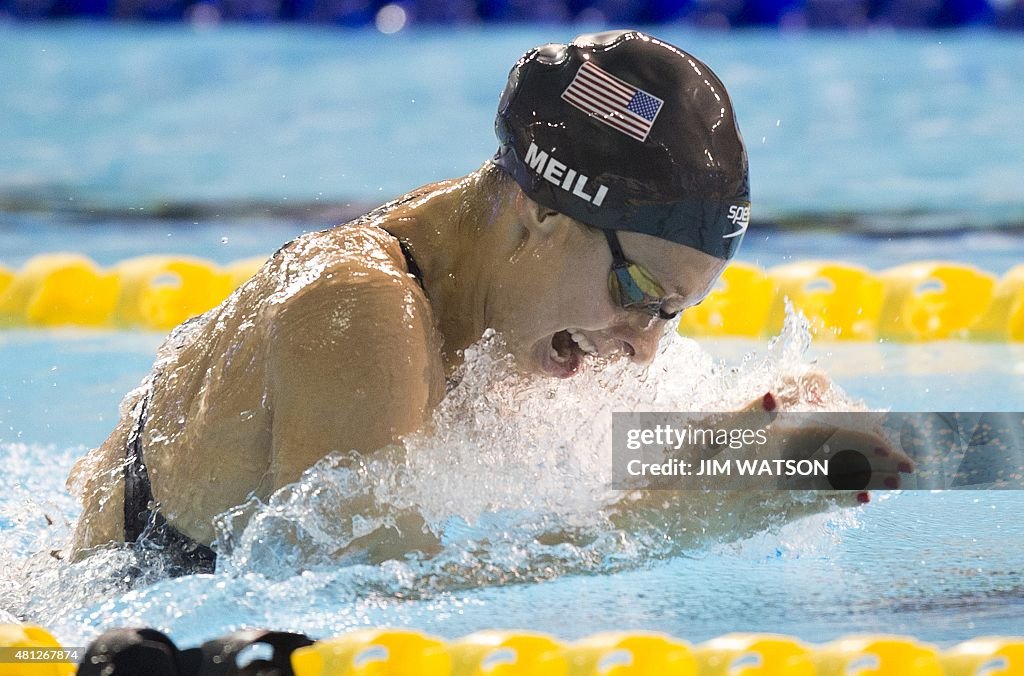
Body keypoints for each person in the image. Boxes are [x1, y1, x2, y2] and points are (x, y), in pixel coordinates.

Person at [66, 30, 906, 574]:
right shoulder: (361, 307)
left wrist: (742, 442)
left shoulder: (502, 303)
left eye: (671, 313)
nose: (643, 345)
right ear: (540, 214)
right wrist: (688, 514)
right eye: (638, 293)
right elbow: (354, 577)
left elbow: (540, 489)